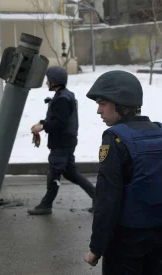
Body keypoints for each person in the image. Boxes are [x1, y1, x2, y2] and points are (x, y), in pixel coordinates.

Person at [83, 70, 162, 274]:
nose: (98, 111)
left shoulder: (116, 138)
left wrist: (96, 248)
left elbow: (107, 199)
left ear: (120, 104)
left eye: (103, 104)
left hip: (126, 240)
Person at [28, 66, 96, 215]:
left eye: (48, 80)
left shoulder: (63, 99)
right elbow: (57, 118)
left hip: (62, 142)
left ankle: (46, 205)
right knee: (71, 173)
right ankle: (98, 199)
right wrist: (42, 123)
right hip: (66, 141)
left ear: (54, 82)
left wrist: (42, 127)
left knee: (54, 173)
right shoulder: (63, 96)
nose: (46, 83)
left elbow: (59, 123)